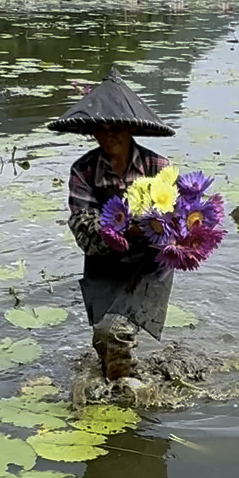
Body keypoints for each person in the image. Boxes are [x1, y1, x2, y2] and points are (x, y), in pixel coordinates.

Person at [49, 68, 176, 380]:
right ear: (93, 132)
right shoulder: (84, 170)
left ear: (130, 128)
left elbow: (177, 222)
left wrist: (157, 229)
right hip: (103, 262)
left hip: (148, 264)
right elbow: (82, 227)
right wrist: (121, 231)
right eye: (102, 128)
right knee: (103, 344)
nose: (110, 135)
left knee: (115, 331)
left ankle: (128, 402)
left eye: (117, 126)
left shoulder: (157, 167)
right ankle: (120, 395)